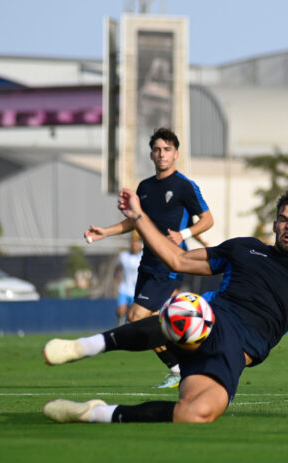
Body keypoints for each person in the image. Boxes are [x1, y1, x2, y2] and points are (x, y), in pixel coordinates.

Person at [42, 191, 288, 424]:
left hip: (234, 355)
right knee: (185, 312)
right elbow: (177, 258)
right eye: (284, 219)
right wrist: (138, 217)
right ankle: (85, 346)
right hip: (213, 321)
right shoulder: (245, 248)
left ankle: (94, 414)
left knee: (194, 414)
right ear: (274, 224)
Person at [83, 127, 214, 388]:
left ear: (176, 154)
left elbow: (208, 220)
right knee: (157, 321)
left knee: (136, 318)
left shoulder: (184, 186)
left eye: (167, 149)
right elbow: (135, 222)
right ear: (151, 155)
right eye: (157, 150)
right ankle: (189, 361)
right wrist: (104, 233)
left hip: (170, 263)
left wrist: (183, 233)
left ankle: (178, 367)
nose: (162, 154)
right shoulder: (144, 187)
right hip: (147, 263)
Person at [114, 231, 143, 326]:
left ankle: (128, 329)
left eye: (137, 243)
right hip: (124, 288)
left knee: (132, 315)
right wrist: (117, 278)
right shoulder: (123, 256)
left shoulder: (142, 257)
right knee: (120, 311)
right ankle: (119, 325)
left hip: (136, 290)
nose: (135, 245)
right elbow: (118, 268)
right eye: (133, 243)